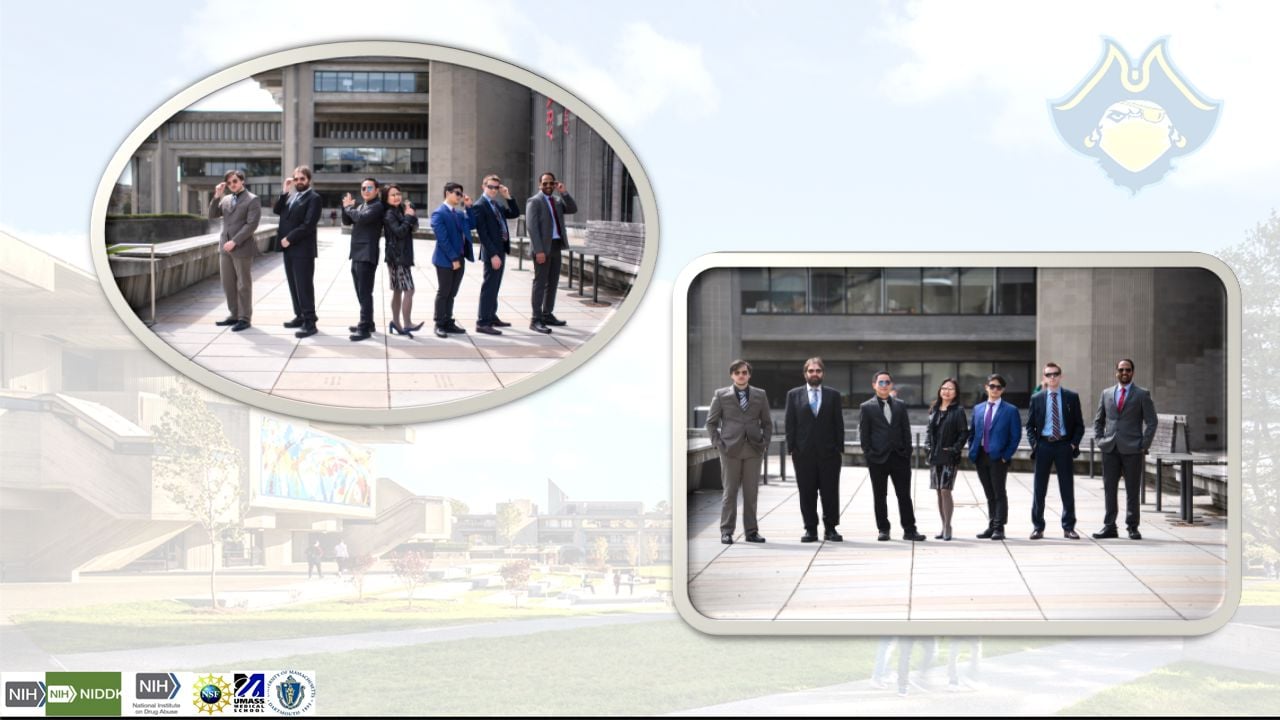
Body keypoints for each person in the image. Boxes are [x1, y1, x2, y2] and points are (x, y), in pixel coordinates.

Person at [705, 359, 772, 544]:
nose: (741, 375)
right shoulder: (721, 395)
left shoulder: (760, 394)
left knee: (751, 493)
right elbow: (711, 423)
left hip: (753, 449)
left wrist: (765, 443)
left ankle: (751, 532)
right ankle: (726, 531)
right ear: (732, 375)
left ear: (749, 374)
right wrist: (718, 444)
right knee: (730, 492)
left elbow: (767, 422)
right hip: (730, 450)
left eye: (744, 372)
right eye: (737, 372)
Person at [1093, 358, 1158, 540]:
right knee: (1109, 489)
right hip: (1110, 448)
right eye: (1121, 370)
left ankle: (1132, 527)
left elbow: (1152, 422)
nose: (1124, 373)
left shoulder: (1142, 394)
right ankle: (1109, 526)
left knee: (1132, 490)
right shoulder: (1106, 393)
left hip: (1133, 450)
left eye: (1128, 370)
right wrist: (1100, 440)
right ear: (1116, 372)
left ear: (1133, 372)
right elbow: (1099, 420)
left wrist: (1143, 445)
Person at [859, 371, 925, 542]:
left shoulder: (900, 405)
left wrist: (907, 452)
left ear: (891, 385)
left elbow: (906, 430)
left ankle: (910, 530)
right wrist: (870, 455)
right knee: (880, 496)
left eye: (887, 382)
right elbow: (864, 435)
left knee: (904, 495)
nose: (884, 385)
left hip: (899, 458)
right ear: (874, 385)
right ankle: (883, 529)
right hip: (877, 459)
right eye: (881, 382)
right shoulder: (866, 407)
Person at [785, 358, 845, 543]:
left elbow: (838, 424)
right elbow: (790, 424)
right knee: (807, 492)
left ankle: (831, 528)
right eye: (811, 371)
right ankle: (810, 529)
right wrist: (792, 449)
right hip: (803, 455)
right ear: (805, 374)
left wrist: (838, 449)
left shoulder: (833, 395)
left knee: (830, 492)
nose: (814, 374)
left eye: (818, 371)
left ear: (823, 374)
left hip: (829, 454)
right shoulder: (794, 395)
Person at [1025, 362, 1086, 540]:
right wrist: (1035, 445)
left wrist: (1073, 445)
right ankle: (1038, 527)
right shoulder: (1037, 398)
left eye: (1055, 374)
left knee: (1067, 488)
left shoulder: (1071, 397)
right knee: (1039, 489)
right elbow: (1029, 426)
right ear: (1044, 377)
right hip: (1043, 445)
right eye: (1049, 374)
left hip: (1064, 446)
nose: (1052, 377)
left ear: (1060, 376)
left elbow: (1079, 425)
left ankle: (1068, 527)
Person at [968, 373, 1022, 541]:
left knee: (999, 492)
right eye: (992, 386)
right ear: (986, 387)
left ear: (1003, 390)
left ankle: (999, 527)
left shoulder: (1011, 410)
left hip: (998, 457)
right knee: (989, 493)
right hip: (980, 455)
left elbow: (1015, 436)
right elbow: (973, 433)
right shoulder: (978, 409)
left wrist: (1006, 456)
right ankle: (992, 525)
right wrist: (972, 450)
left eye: (998, 387)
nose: (995, 389)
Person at [208, 169, 261, 332]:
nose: (232, 184)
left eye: (235, 181)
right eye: (229, 182)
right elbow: (212, 215)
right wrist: (217, 195)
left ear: (242, 181)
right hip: (224, 247)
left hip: (242, 247)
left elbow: (251, 224)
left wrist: (235, 241)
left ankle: (245, 318)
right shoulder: (225, 199)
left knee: (243, 284)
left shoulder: (252, 199)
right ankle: (234, 315)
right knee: (228, 283)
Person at [524, 172, 577, 334]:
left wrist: (564, 193)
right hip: (542, 248)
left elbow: (573, 209)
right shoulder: (534, 201)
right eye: (545, 183)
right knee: (540, 284)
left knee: (552, 283)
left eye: (551, 183)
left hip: (556, 246)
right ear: (540, 185)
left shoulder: (557, 201)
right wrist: (539, 250)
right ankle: (536, 319)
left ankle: (547, 314)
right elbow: (532, 228)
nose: (548, 186)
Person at [274, 166, 322, 338]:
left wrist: (290, 238)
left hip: (302, 249)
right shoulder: (292, 196)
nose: (299, 181)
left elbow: (308, 224)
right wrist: (285, 191)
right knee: (293, 285)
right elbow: (277, 210)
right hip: (289, 249)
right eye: (296, 179)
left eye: (302, 178)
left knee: (304, 286)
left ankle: (310, 322)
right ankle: (300, 316)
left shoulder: (314, 198)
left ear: (308, 180)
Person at [471, 174, 520, 334]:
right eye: (490, 187)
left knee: (495, 286)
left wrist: (508, 197)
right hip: (492, 253)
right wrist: (493, 255)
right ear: (483, 187)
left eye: (496, 187)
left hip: (501, 249)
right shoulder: (480, 205)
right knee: (489, 287)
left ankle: (491, 316)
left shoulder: (497, 204)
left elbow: (514, 213)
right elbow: (482, 234)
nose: (493, 190)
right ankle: (482, 322)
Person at [428, 182, 475, 339]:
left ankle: (448, 321)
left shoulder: (459, 214)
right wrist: (453, 258)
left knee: (452, 293)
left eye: (461, 194)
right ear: (447, 193)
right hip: (445, 259)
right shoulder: (438, 213)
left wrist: (469, 207)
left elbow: (472, 225)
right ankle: (439, 323)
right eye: (457, 193)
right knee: (444, 292)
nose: (460, 196)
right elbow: (443, 239)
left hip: (460, 258)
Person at [341, 177, 385, 341]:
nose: (365, 191)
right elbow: (347, 220)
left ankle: (365, 327)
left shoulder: (377, 206)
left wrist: (349, 208)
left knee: (365, 292)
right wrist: (345, 207)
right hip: (357, 253)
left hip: (367, 253)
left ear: (377, 190)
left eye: (369, 188)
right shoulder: (361, 206)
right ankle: (368, 322)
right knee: (360, 290)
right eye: (363, 188)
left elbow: (360, 218)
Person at [925, 377, 968, 541]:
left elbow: (964, 433)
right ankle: (942, 526)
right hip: (934, 455)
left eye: (950, 388)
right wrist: (927, 447)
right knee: (938, 491)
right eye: (944, 388)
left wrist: (955, 449)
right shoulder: (934, 409)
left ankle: (948, 526)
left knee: (945, 490)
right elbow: (929, 432)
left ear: (955, 393)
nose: (946, 391)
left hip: (949, 455)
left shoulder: (958, 410)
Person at [380, 184, 421, 337]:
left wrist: (411, 214)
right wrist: (409, 218)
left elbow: (414, 228)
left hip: (399, 257)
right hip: (397, 258)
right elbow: (400, 233)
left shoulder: (401, 210)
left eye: (398, 193)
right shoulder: (389, 214)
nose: (397, 197)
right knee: (409, 290)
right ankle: (407, 323)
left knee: (398, 291)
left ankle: (396, 323)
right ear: (386, 198)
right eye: (392, 195)